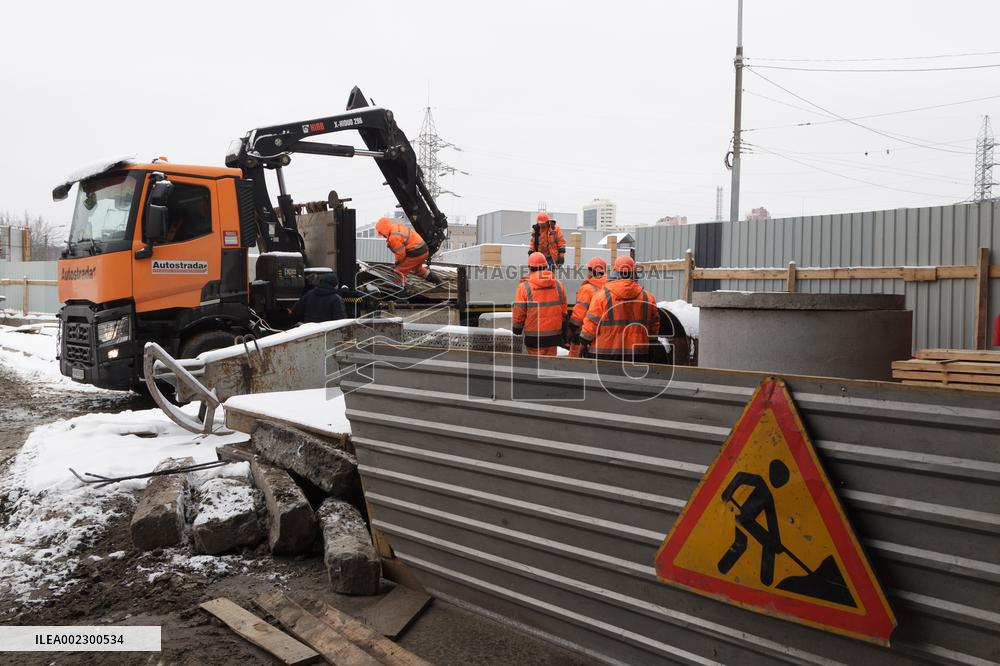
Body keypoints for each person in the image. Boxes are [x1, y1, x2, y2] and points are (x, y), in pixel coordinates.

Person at [579, 255, 659, 361]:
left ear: (615, 272)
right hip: (637, 354)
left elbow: (591, 324)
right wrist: (652, 344)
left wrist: (584, 343)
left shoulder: (601, 296)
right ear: (634, 273)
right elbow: (654, 327)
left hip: (604, 354)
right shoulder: (647, 298)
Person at [512, 252, 567, 356]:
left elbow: (519, 311)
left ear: (530, 267)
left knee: (537, 365)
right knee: (550, 364)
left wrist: (517, 328)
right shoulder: (558, 285)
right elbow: (564, 311)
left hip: (534, 337)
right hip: (554, 336)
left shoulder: (524, 287)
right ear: (546, 266)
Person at [374, 217, 441, 285]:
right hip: (423, 250)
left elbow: (401, 254)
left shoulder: (393, 238)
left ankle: (399, 289)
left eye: (381, 233)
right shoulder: (396, 227)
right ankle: (437, 281)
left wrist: (397, 264)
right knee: (418, 270)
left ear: (383, 230)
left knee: (399, 271)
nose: (382, 235)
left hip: (416, 252)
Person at [566, 256, 608, 357]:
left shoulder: (587, 289)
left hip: (583, 335)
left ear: (591, 272)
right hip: (602, 337)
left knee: (574, 363)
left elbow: (578, 317)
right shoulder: (609, 288)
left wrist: (570, 331)